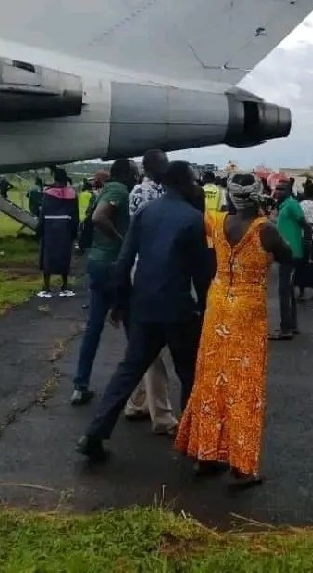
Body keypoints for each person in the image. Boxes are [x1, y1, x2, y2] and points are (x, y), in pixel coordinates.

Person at [76, 161, 212, 462]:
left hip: (143, 307)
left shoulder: (145, 213)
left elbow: (124, 262)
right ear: (184, 182)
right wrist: (205, 310)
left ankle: (94, 433)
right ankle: (193, 443)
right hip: (178, 309)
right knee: (189, 373)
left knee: (127, 372)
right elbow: (202, 274)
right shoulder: (193, 219)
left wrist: (121, 303)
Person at [176, 172, 292, 487]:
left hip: (218, 307)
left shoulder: (217, 221)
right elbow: (288, 256)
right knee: (244, 386)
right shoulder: (264, 230)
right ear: (257, 195)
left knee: (211, 381)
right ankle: (241, 467)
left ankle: (205, 455)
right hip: (247, 311)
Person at [70, 159, 136, 406]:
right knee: (133, 327)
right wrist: (122, 242)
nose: (136, 176)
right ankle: (133, 394)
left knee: (94, 327)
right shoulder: (119, 190)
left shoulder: (106, 189)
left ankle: (81, 384)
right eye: (134, 172)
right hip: (113, 264)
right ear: (126, 174)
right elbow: (99, 217)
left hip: (97, 262)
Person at [123, 149, 178, 435]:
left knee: (146, 343)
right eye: (164, 165)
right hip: (154, 271)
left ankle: (138, 402)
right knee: (157, 342)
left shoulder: (139, 192)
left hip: (141, 268)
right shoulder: (155, 195)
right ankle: (163, 415)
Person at [269, 181, 305, 340]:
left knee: (284, 291)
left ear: (289, 191)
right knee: (288, 290)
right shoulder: (284, 206)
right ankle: (292, 325)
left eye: (281, 189)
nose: (277, 191)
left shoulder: (292, 205)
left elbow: (305, 225)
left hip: (291, 253)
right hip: (285, 253)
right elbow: (282, 226)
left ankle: (286, 329)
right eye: (276, 189)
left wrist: (307, 248)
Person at [36, 168, 78, 298]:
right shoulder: (72, 194)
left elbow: (43, 214)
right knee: (65, 256)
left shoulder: (48, 193)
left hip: (50, 228)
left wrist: (39, 231)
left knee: (48, 256)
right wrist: (74, 232)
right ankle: (64, 287)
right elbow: (75, 215)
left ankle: (47, 288)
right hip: (65, 228)